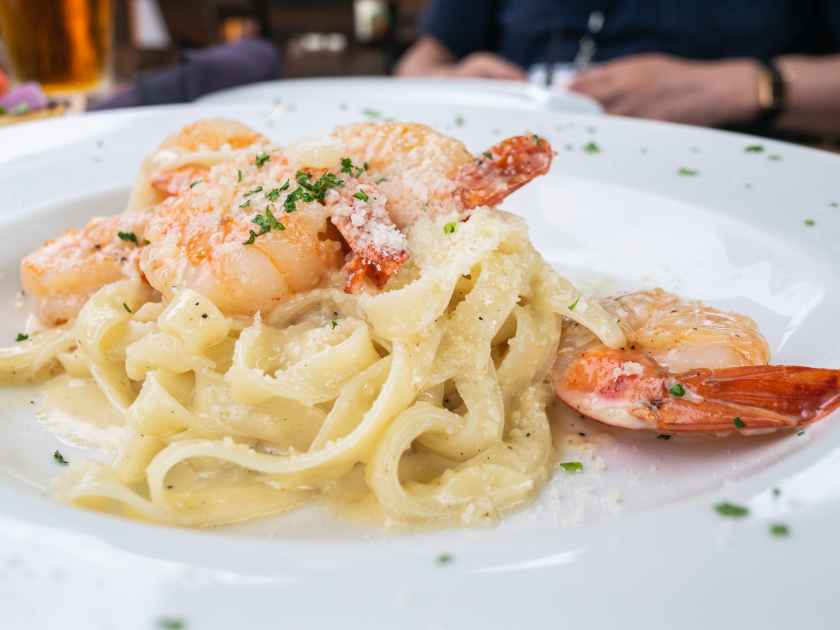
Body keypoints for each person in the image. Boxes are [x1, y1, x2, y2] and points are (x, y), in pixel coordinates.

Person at [396, 1, 840, 138]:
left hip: (728, 190)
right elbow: (416, 65)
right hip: (519, 165)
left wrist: (735, 88)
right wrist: (451, 87)